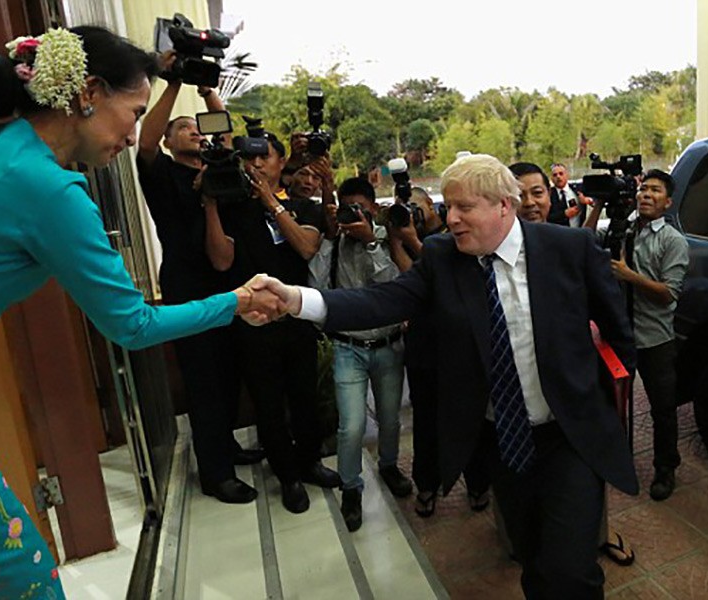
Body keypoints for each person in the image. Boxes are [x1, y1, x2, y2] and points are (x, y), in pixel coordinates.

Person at [0, 27, 281, 599]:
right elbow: (132, 325)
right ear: (87, 91)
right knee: (18, 575)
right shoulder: (50, 190)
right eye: (135, 111)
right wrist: (237, 302)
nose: (134, 132)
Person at [259, 154, 638, 598]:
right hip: (505, 443)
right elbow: (382, 301)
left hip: (570, 436)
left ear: (504, 206)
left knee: (572, 569)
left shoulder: (568, 250)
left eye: (464, 207)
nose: (450, 218)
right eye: (448, 206)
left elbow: (618, 331)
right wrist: (296, 301)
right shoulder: (443, 257)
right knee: (531, 556)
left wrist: (605, 395)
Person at [136, 52, 261, 505]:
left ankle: (224, 447)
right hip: (186, 284)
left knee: (228, 374)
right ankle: (215, 473)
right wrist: (171, 84)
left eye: (197, 125)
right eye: (182, 127)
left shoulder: (218, 170)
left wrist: (208, 86)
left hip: (226, 281)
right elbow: (145, 143)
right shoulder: (162, 171)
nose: (193, 128)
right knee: (203, 378)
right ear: (170, 143)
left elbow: (223, 134)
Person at [204, 131, 341, 514]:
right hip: (252, 322)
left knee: (304, 398)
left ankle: (310, 463)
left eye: (266, 157)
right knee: (267, 404)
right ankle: (288, 477)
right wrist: (212, 205)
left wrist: (269, 199)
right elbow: (220, 262)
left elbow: (307, 247)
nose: (258, 163)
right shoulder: (233, 208)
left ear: (283, 163)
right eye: (252, 157)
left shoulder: (303, 206)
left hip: (296, 317)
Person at [510, 161, 637, 567]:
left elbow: (614, 321)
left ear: (551, 196)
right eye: (520, 194)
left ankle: (595, 537)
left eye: (538, 193)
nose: (530, 203)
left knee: (584, 480)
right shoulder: (488, 256)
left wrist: (614, 379)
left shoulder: (575, 246)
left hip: (576, 394)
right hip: (518, 401)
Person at [310, 177, 412, 532]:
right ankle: (351, 487)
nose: (355, 216)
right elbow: (316, 289)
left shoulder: (385, 241)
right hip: (347, 347)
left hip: (387, 344)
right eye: (348, 209)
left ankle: (388, 465)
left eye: (361, 210)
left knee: (389, 417)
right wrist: (328, 236)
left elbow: (392, 290)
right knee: (351, 426)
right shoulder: (333, 244)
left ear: (373, 209)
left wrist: (371, 242)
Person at [585, 169, 689, 501]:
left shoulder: (673, 241)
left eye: (655, 191)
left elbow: (668, 294)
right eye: (644, 189)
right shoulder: (624, 230)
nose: (646, 194)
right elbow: (583, 243)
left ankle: (665, 468)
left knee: (662, 408)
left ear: (667, 202)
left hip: (655, 339)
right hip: (619, 334)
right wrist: (599, 205)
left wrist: (631, 276)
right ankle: (615, 458)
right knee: (610, 403)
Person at [388, 187, 491, 518]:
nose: (413, 216)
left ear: (433, 208)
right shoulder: (408, 241)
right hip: (424, 348)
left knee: (472, 417)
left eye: (417, 209)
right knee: (427, 422)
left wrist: (415, 240)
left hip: (461, 347)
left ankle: (478, 483)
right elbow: (412, 282)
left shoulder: (456, 236)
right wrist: (395, 240)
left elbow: (449, 277)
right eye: (407, 210)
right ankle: (427, 486)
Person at [548, 162, 587, 227]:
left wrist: (586, 200)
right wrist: (564, 214)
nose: (558, 177)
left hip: (579, 231)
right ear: (551, 179)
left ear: (567, 175)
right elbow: (546, 218)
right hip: (559, 233)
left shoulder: (578, 189)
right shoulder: (548, 195)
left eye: (561, 174)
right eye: (555, 175)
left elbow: (595, 201)